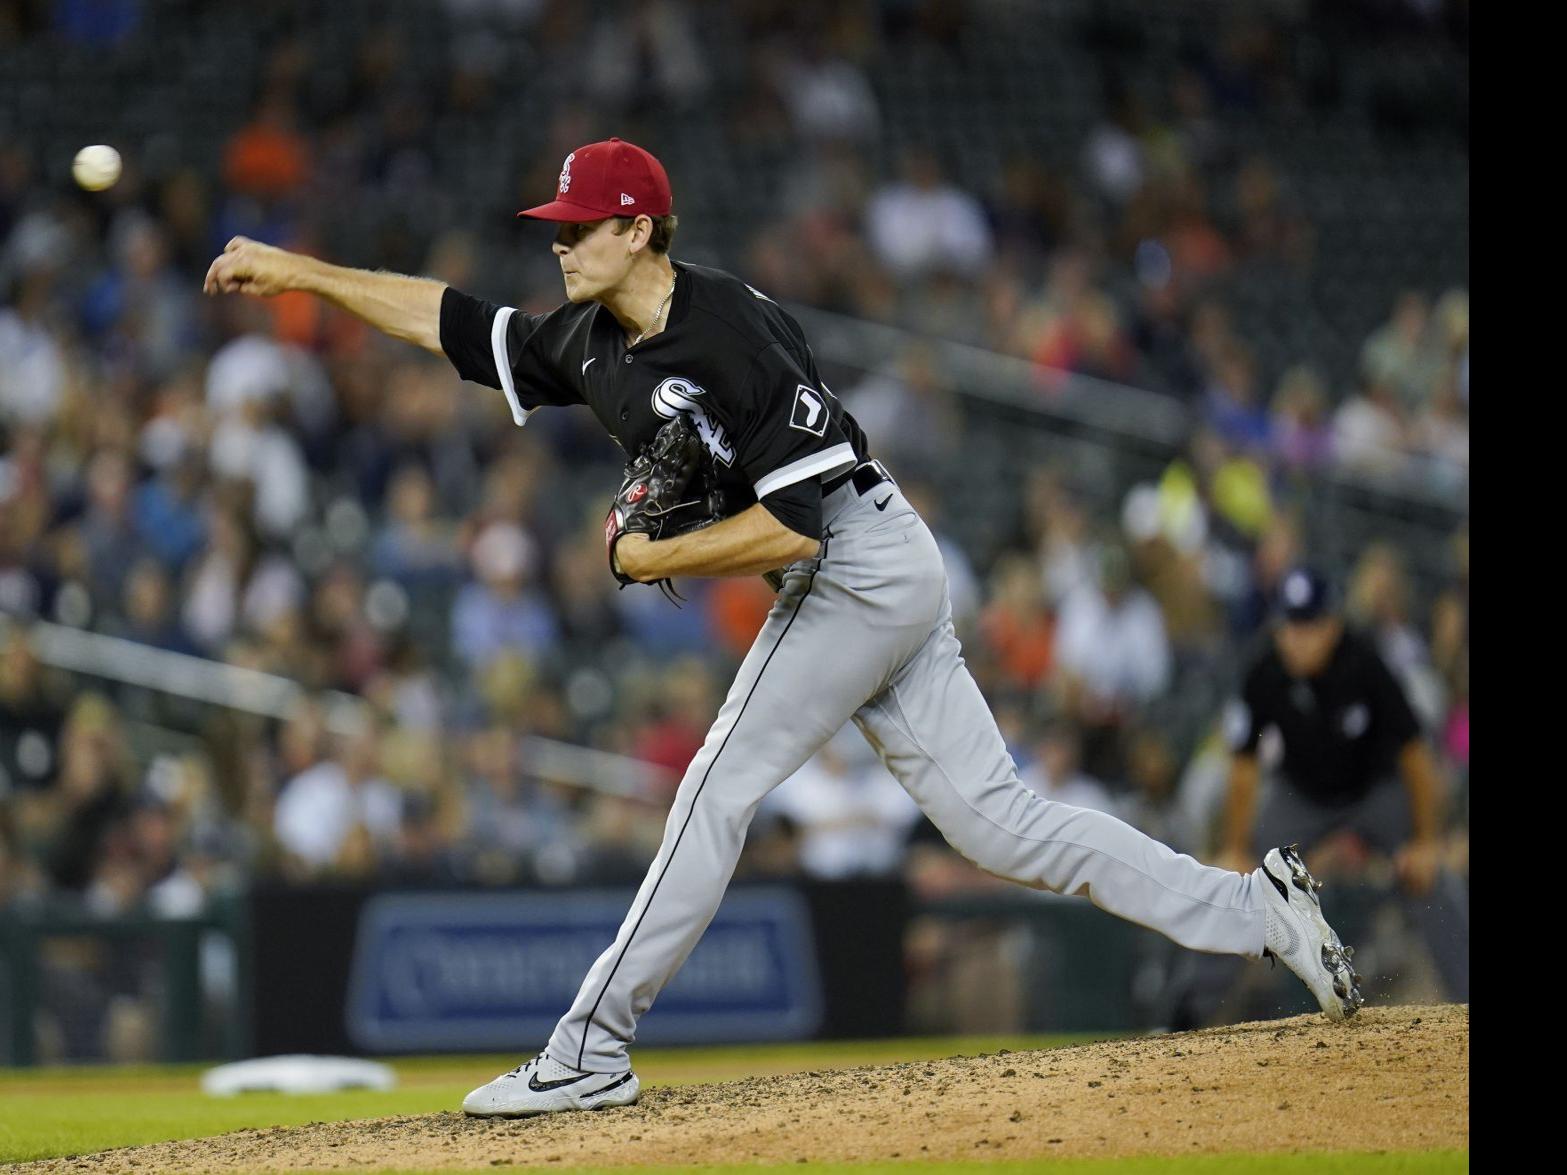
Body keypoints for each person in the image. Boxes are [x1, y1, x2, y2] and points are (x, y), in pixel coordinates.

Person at [204, 136, 1362, 1119]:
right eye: (556, 225)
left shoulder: (731, 333)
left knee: (715, 784)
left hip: (854, 559)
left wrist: (655, 553)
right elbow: (453, 323)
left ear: (640, 229)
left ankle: (587, 1051)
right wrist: (298, 272)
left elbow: (795, 528)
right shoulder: (587, 338)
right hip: (877, 569)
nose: (558, 241)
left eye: (580, 226)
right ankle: (1259, 905)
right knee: (1001, 826)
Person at [1177, 567, 1469, 1025]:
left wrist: (1427, 839)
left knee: (1430, 878)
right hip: (1302, 798)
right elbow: (1244, 766)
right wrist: (1236, 845)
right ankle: (1184, 1020)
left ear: (1331, 626)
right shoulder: (1265, 669)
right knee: (1243, 885)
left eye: (1308, 626)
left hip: (1376, 792)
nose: (1296, 638)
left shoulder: (1364, 660)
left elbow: (1415, 754)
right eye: (1289, 625)